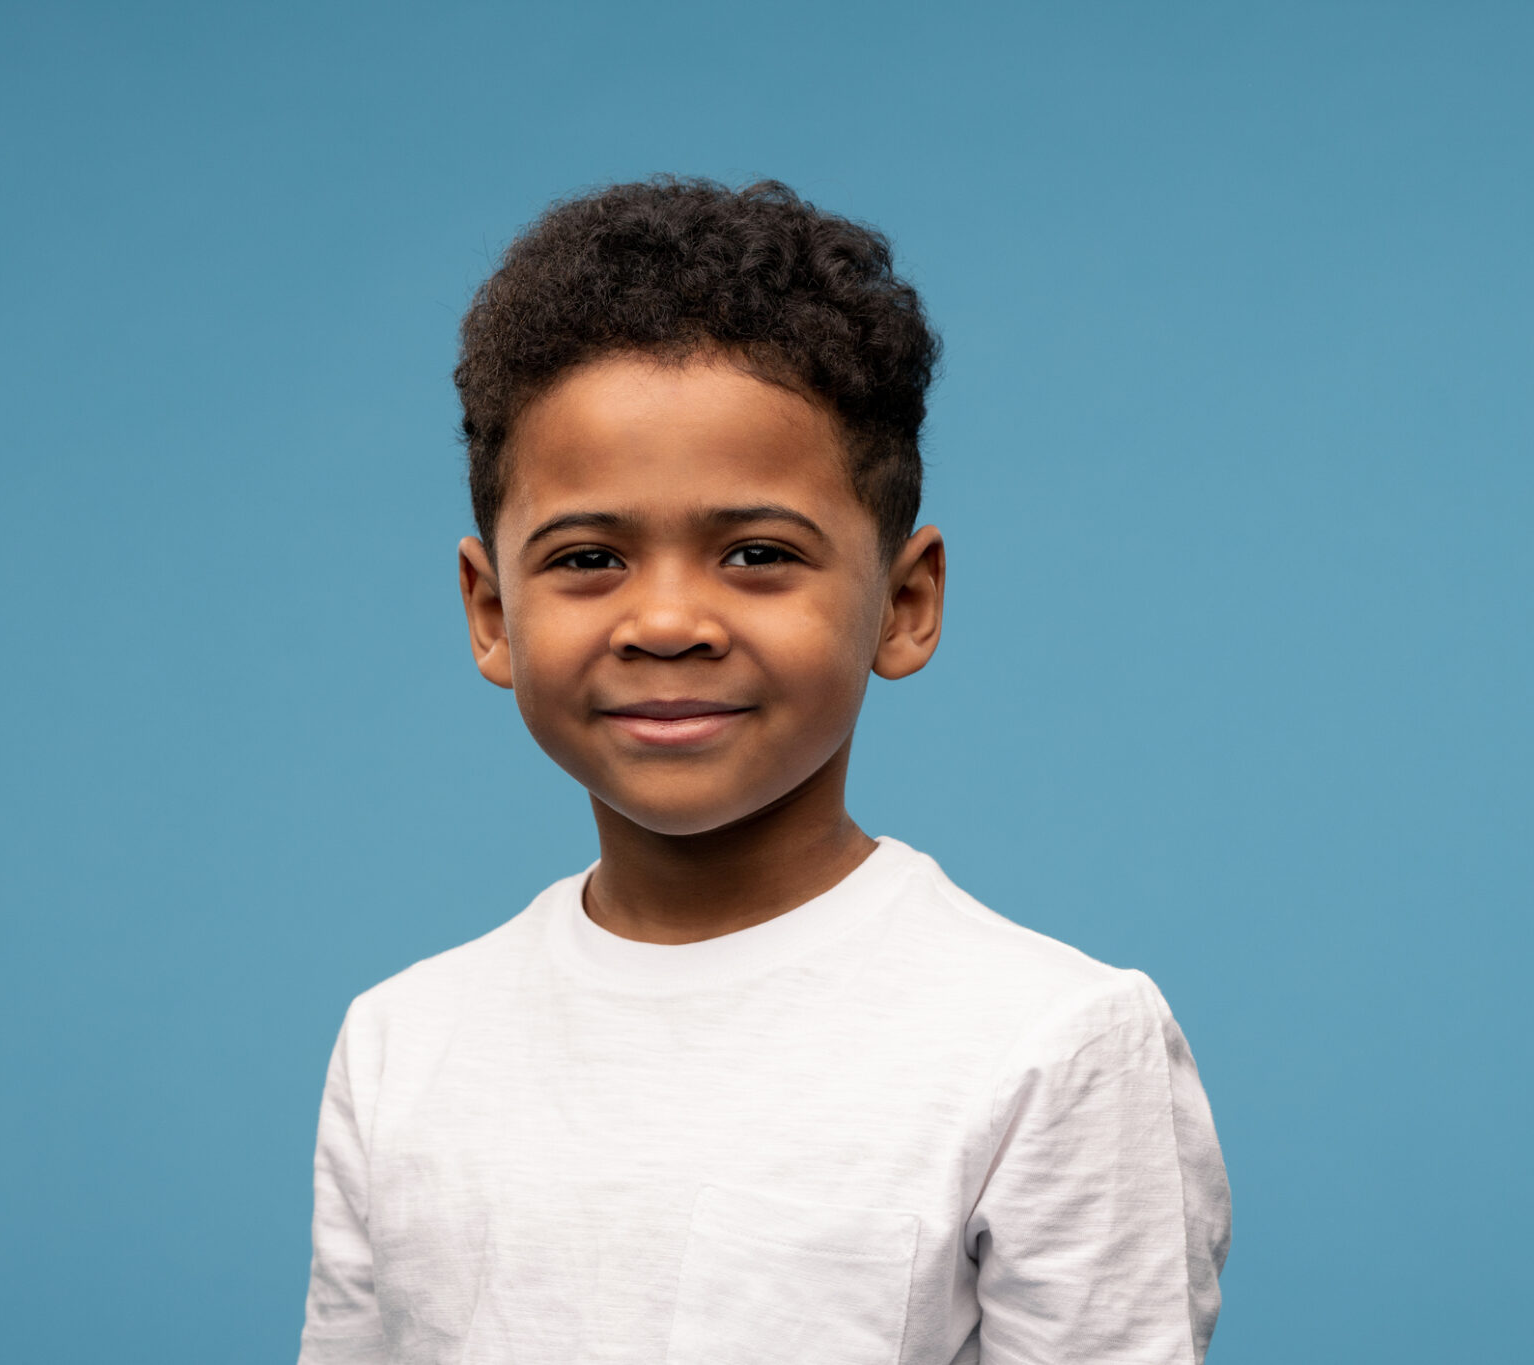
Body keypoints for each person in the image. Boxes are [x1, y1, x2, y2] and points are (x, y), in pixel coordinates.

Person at [297, 178, 1230, 1365]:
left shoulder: (1051, 1043)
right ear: (491, 613)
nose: (669, 620)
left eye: (756, 553)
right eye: (588, 557)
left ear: (902, 603)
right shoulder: (401, 1044)